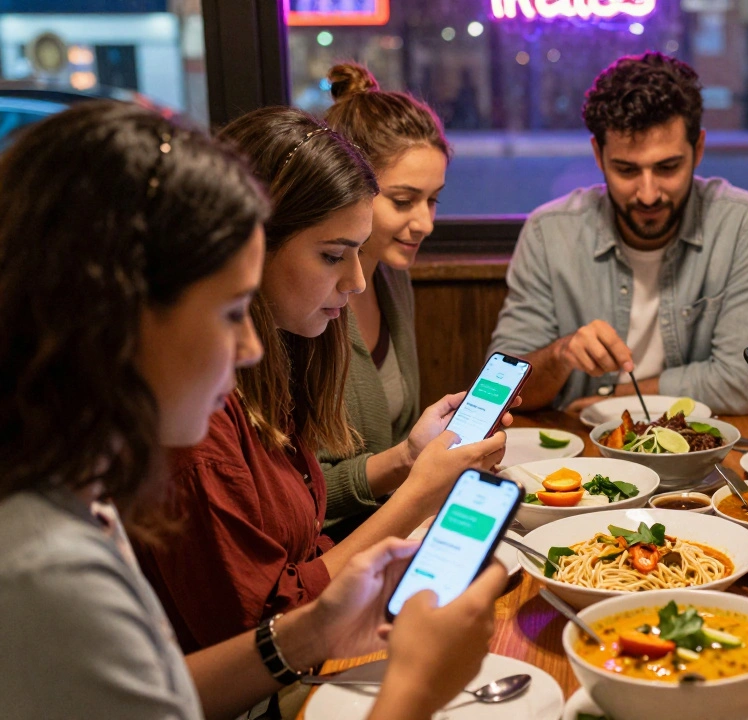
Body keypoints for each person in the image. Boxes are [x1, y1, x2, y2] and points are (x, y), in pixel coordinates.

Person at [0, 101, 505, 720]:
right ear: (116, 315)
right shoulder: (43, 567)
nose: (250, 346)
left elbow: (166, 690)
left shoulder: (80, 497)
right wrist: (414, 690)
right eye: (230, 311)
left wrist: (316, 628)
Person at [132, 106, 511, 653]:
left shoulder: (293, 353)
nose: (357, 281)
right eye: (334, 255)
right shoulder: (198, 415)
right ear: (254, 249)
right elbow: (264, 634)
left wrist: (410, 460)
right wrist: (420, 490)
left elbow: (301, 549)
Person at [487, 52, 748, 415]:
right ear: (598, 155)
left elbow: (741, 381)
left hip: (698, 447)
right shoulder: (549, 232)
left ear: (699, 149)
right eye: (626, 170)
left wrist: (613, 401)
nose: (648, 193)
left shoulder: (744, 225)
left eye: (668, 167)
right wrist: (561, 354)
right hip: (578, 456)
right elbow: (498, 391)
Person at [317, 63, 455, 539]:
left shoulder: (393, 278)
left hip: (392, 527)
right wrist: (409, 461)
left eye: (433, 200)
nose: (425, 223)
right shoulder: (309, 303)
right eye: (403, 201)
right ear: (349, 188)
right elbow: (304, 497)